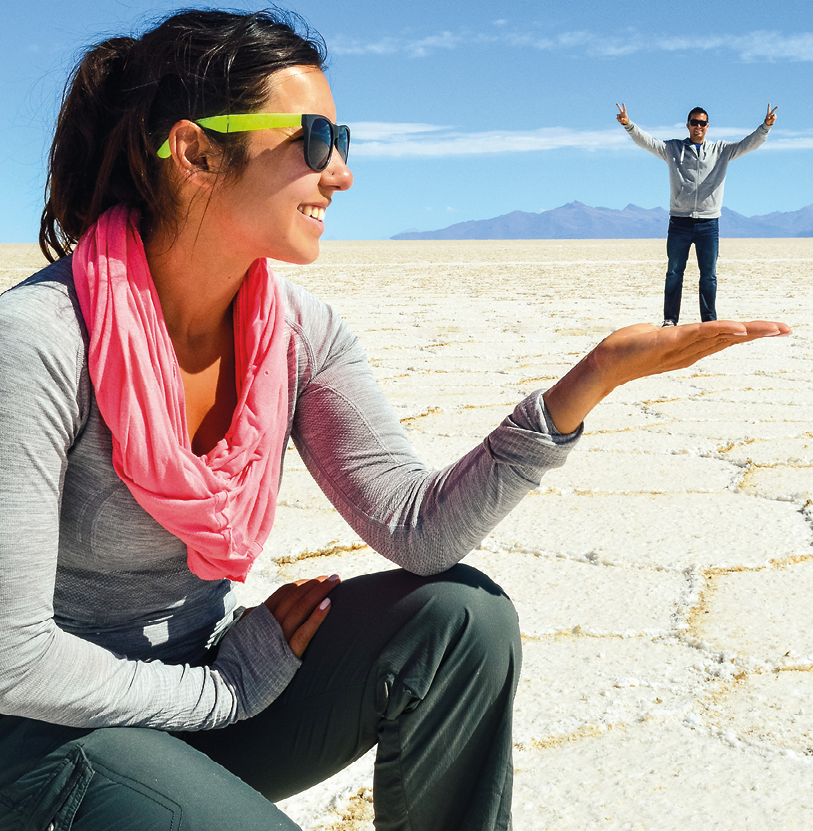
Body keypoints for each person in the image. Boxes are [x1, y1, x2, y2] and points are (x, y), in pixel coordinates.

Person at [0, 10, 789, 831]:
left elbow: (415, 529)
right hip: (49, 734)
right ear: (197, 152)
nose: (338, 172)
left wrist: (585, 384)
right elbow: (12, 658)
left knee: (462, 621)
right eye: (311, 139)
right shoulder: (39, 343)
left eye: (341, 138)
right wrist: (222, 688)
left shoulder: (298, 334)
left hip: (212, 685)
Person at [616, 103, 778, 326]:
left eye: (702, 123)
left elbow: (747, 145)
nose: (698, 126)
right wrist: (628, 124)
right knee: (674, 272)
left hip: (709, 224)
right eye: (694, 122)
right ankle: (670, 319)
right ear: (688, 125)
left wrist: (765, 127)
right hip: (679, 223)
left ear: (707, 126)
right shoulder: (673, 149)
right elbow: (648, 143)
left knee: (708, 275)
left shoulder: (721, 151)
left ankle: (709, 321)